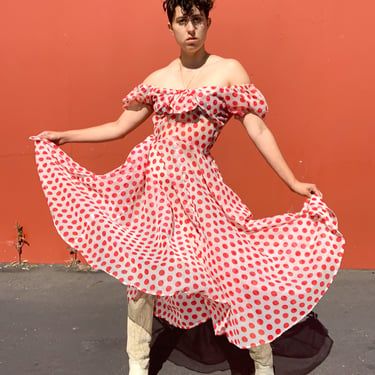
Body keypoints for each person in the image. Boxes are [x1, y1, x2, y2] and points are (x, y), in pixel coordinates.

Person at [32, 1, 344, 374]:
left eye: (197, 20)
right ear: (171, 28)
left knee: (233, 271)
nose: (190, 28)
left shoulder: (229, 71)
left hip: (200, 190)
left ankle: (263, 364)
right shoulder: (157, 79)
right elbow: (118, 126)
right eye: (182, 21)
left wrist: (292, 181)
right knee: (140, 278)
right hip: (153, 189)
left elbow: (258, 129)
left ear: (208, 22)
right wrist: (63, 136)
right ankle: (137, 366)